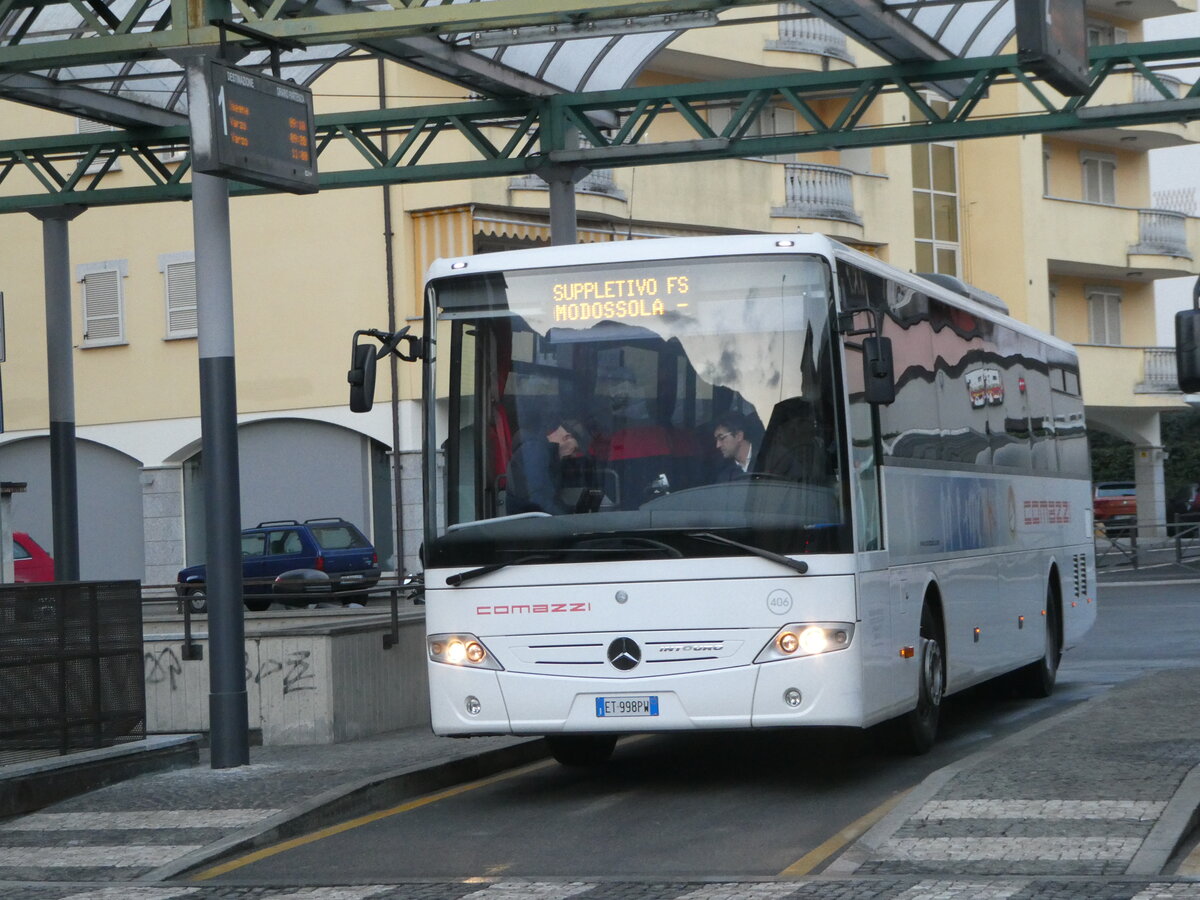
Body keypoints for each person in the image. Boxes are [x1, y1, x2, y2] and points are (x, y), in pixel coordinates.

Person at [506, 416, 580, 514]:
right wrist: (568, 520)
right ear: (567, 437)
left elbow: (550, 498)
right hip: (530, 523)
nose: (574, 456)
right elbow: (537, 498)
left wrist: (571, 512)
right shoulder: (534, 450)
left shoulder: (547, 454)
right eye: (574, 450)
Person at [713, 411, 754, 481]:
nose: (718, 445)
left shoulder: (767, 459)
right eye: (716, 439)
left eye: (721, 438)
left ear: (739, 436)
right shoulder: (724, 476)